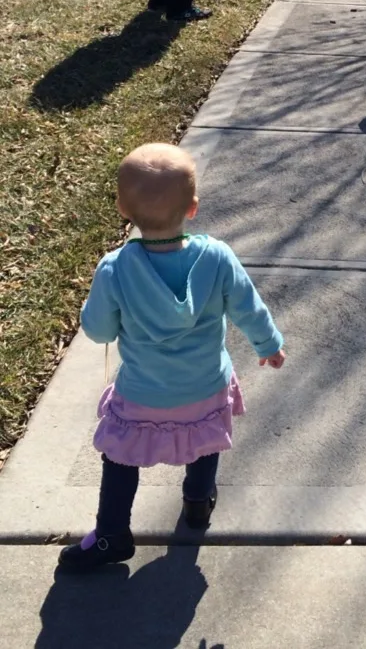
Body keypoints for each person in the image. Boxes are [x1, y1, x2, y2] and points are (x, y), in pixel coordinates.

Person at [57, 143, 286, 573]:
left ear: (124, 209)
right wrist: (268, 345)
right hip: (205, 385)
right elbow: (248, 308)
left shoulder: (115, 269)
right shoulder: (217, 257)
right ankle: (198, 504)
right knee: (204, 442)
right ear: (193, 208)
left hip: (143, 393)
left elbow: (100, 330)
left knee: (121, 457)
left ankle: (111, 534)